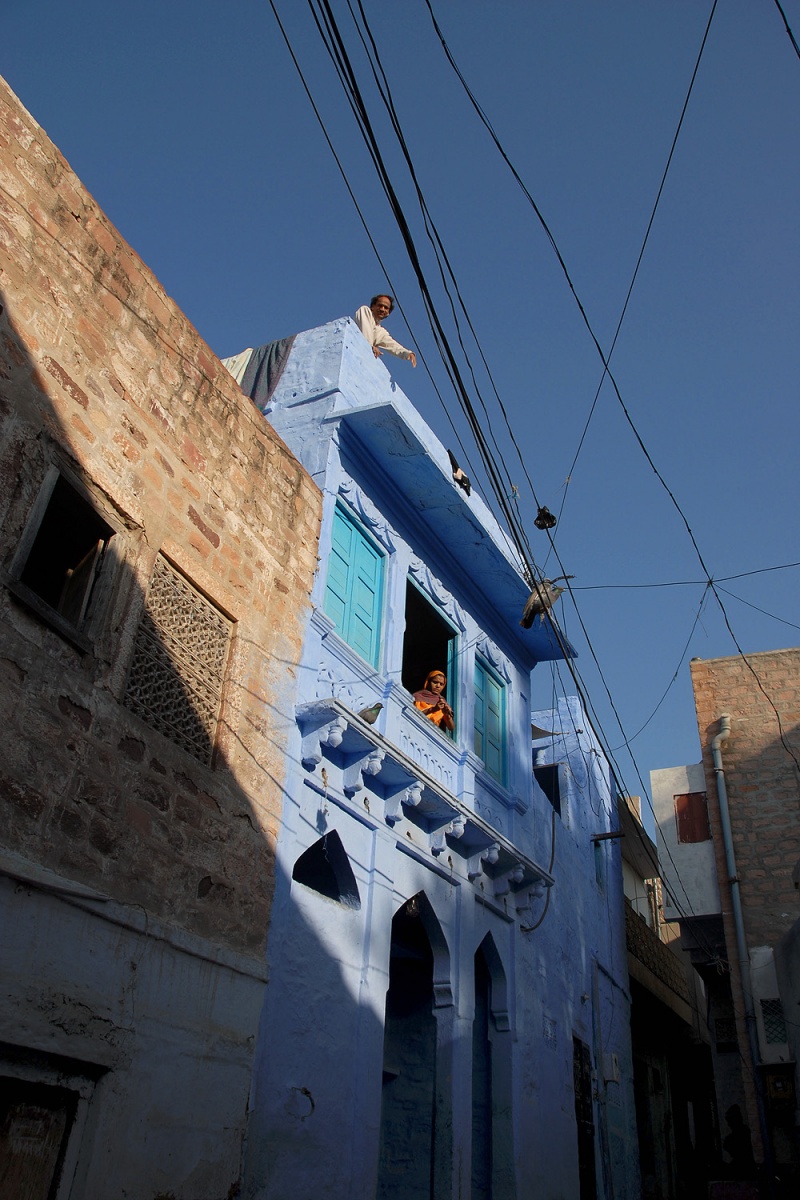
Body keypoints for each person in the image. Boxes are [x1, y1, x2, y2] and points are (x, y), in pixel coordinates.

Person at [354, 294, 417, 367]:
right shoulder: (364, 311)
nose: (382, 309)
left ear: (388, 313)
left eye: (386, 308)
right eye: (380, 305)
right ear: (373, 306)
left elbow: (392, 345)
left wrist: (407, 353)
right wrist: (370, 347)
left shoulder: (381, 332)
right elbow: (364, 330)